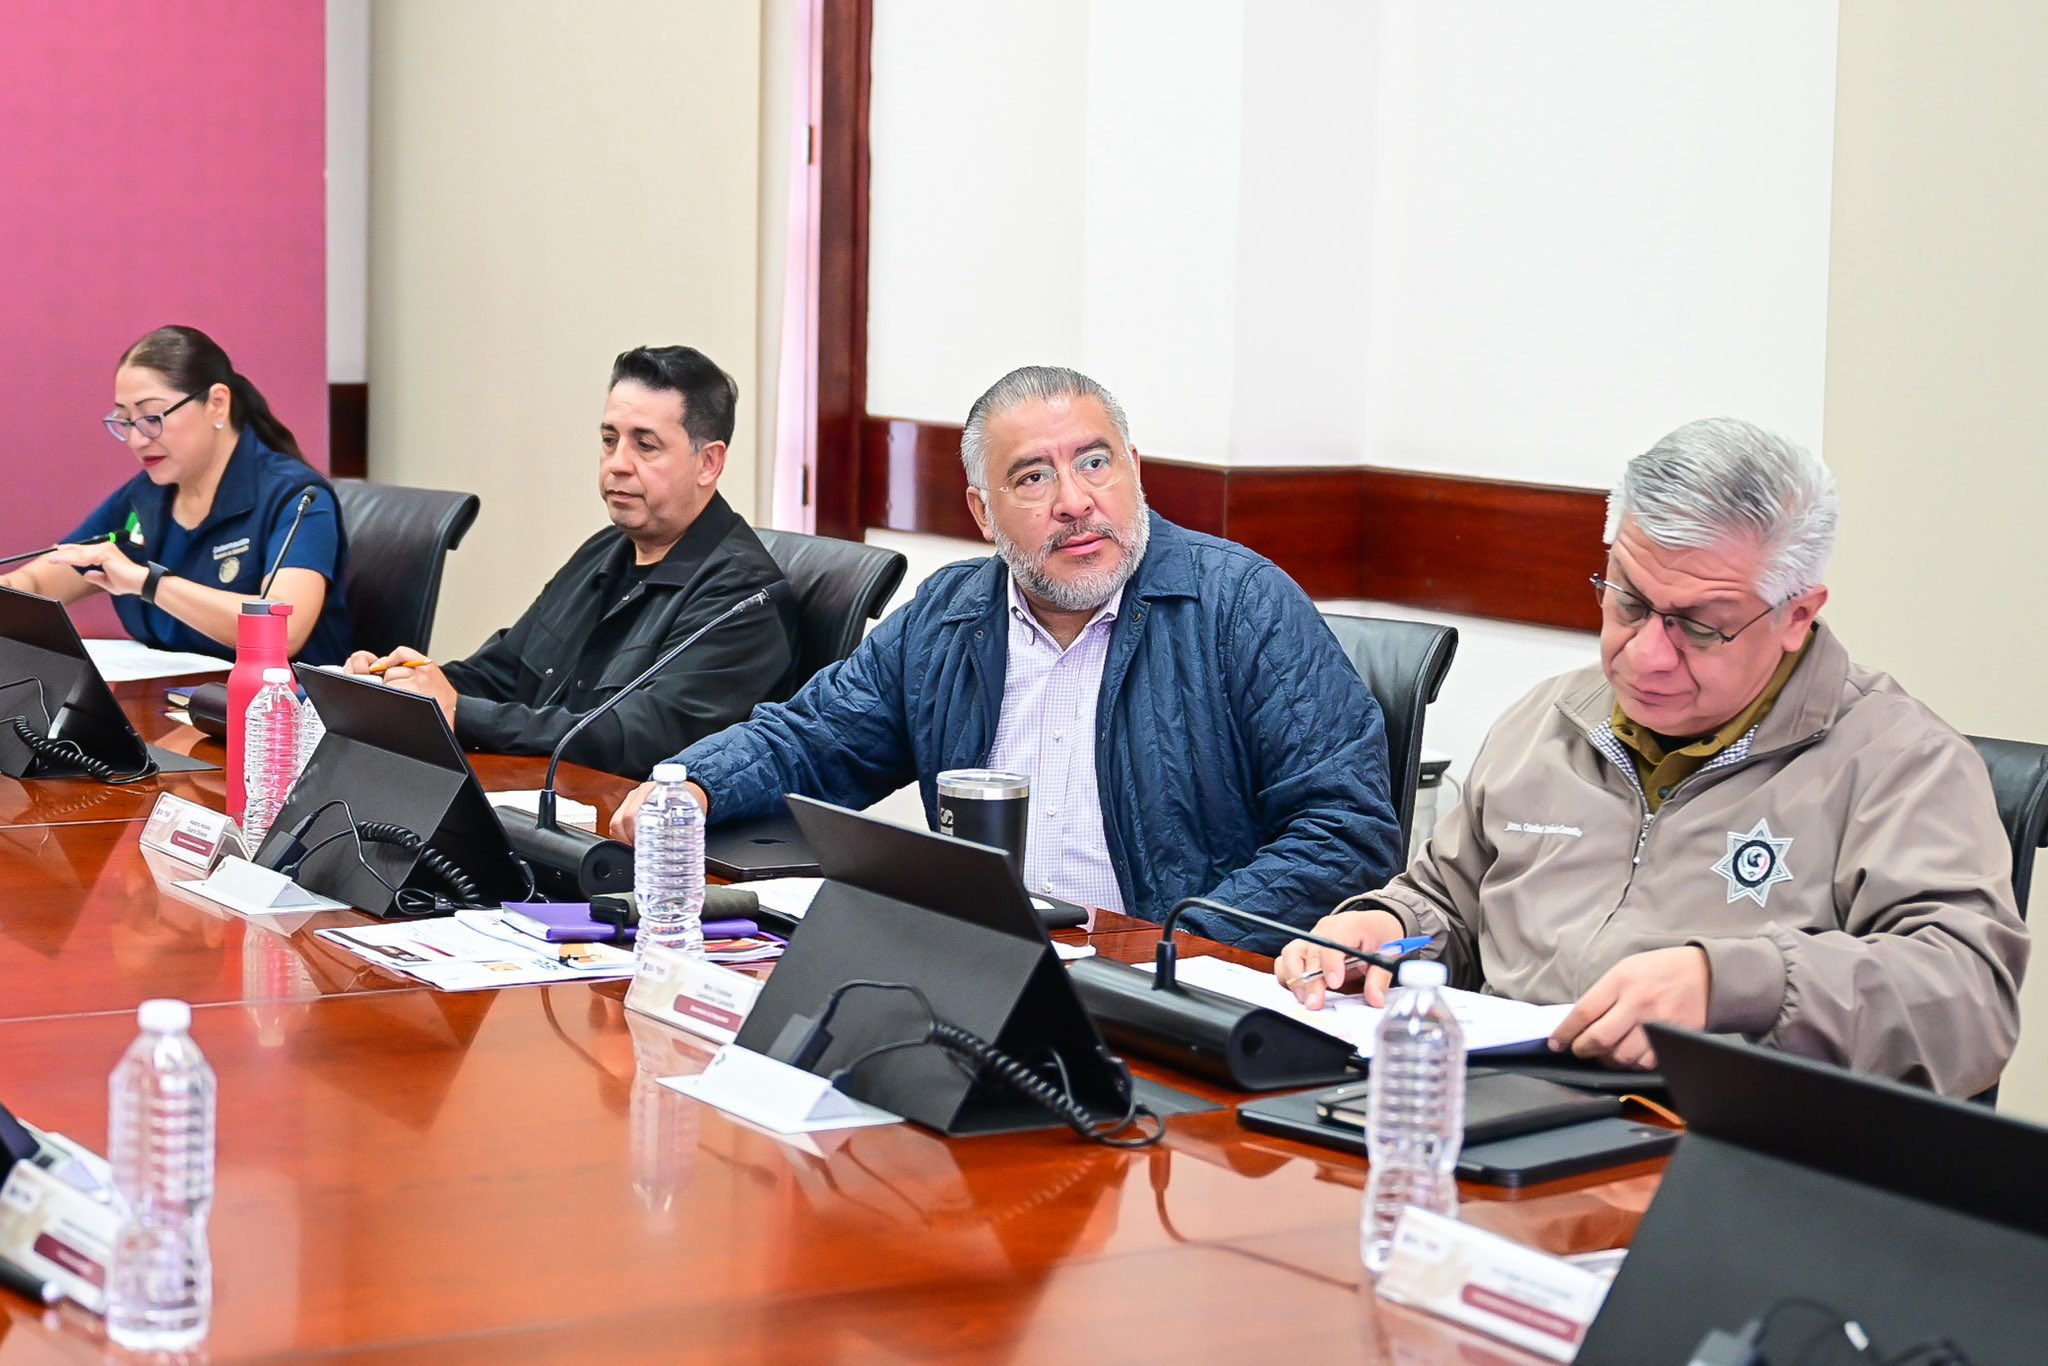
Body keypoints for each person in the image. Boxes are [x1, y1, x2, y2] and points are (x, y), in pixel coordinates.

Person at [1277, 418, 2027, 1096]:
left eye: (1700, 627)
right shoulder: (1550, 721)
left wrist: (1731, 983)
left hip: (1717, 1154)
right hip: (1501, 1118)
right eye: (1629, 604)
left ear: (1797, 615)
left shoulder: (1900, 764)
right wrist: (1384, 928)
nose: (1646, 656)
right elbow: (1449, 900)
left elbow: (1970, 1000)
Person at [610, 364, 1402, 952]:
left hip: (1167, 991)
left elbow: (1346, 830)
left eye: (1096, 463)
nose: (1074, 501)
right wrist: (695, 785)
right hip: (981, 966)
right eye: (1033, 477)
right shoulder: (952, 617)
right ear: (984, 514)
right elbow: (813, 739)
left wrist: (1177, 949)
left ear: (1135, 472)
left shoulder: (1241, 605)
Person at [346, 345, 796, 779]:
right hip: (534, 796)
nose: (617, 464)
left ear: (709, 463)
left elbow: (634, 738)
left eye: (645, 445)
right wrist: (405, 687)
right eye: (609, 440)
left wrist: (464, 714)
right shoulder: (605, 550)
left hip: (621, 820)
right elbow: (504, 672)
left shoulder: (744, 597)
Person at [0, 325, 350, 663]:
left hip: (278, 702)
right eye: (125, 421)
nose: (137, 439)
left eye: (152, 417)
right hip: (168, 699)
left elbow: (282, 631)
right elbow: (37, 584)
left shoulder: (298, 499)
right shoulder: (144, 499)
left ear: (217, 404)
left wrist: (148, 583)